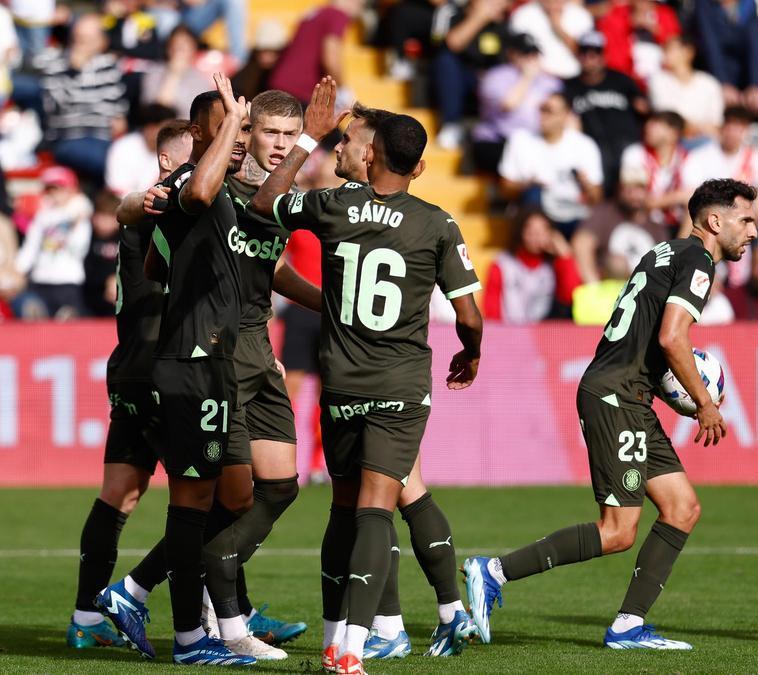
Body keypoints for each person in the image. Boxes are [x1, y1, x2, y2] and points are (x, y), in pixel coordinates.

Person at [463, 179, 758, 650]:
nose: (753, 231)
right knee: (617, 531)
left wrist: (668, 387)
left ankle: (628, 626)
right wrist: (703, 402)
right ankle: (493, 571)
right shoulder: (699, 262)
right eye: (745, 219)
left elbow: (647, 339)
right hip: (617, 396)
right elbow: (672, 338)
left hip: (629, 394)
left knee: (682, 508)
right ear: (715, 221)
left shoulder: (663, 252)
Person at [251, 110, 485, 675]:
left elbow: (265, 203)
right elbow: (469, 315)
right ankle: (359, 646)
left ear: (371, 154)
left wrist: (307, 138)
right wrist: (470, 352)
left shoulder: (334, 205)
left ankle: (340, 637)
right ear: (419, 168)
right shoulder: (437, 223)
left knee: (344, 509)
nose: (343, 147)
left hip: (342, 385)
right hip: (400, 385)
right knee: (380, 507)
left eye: (350, 140)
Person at [96, 75, 256, 666]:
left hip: (210, 359)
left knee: (231, 495)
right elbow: (189, 194)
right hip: (188, 361)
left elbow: (152, 255)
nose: (239, 137)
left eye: (244, 126)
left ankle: (148, 595)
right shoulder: (194, 181)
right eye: (229, 124)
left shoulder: (216, 192)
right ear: (198, 132)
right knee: (191, 501)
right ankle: (190, 635)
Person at [65, 118, 191, 658]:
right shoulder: (163, 204)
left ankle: (85, 616)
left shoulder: (152, 205)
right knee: (211, 496)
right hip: (162, 366)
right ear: (167, 161)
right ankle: (223, 616)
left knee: (120, 492)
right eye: (198, 151)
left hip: (133, 363)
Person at [34, 14, 129, 183]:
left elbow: (118, 107)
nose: (80, 44)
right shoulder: (55, 63)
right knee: (112, 166)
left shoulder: (109, 66)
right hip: (68, 138)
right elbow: (54, 106)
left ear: (102, 42)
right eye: (77, 38)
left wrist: (120, 118)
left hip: (103, 139)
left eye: (87, 40)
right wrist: (74, 71)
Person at [498, 92, 604, 236]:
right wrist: (527, 184)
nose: (543, 115)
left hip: (573, 215)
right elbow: (505, 189)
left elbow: (597, 197)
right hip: (536, 216)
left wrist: (586, 184)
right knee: (534, 195)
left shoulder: (584, 145)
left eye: (549, 110)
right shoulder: (520, 140)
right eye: (541, 109)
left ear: (565, 116)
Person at [562, 31, 645, 196]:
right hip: (592, 147)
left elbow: (643, 108)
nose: (589, 58)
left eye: (595, 53)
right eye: (584, 52)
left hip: (626, 142)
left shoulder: (622, 80)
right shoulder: (570, 86)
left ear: (603, 56)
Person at [469, 31, 562, 174]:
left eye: (534, 54)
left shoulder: (550, 82)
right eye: (526, 54)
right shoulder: (495, 77)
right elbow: (509, 105)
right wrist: (527, 78)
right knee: (523, 160)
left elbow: (562, 113)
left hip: (536, 143)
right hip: (498, 142)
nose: (531, 58)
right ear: (512, 54)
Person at [431, 0, 511, 150]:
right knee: (446, 62)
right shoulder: (453, 13)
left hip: (490, 83)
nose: (499, 4)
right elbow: (453, 43)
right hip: (461, 81)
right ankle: (451, 125)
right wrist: (479, 18)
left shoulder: (505, 25)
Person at [572, 163, 671, 284]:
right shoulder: (605, 213)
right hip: (612, 286)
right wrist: (593, 284)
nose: (634, 195)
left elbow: (666, 265)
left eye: (639, 188)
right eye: (628, 188)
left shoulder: (656, 226)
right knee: (617, 264)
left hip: (646, 289)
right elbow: (582, 243)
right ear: (619, 189)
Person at [15, 166, 92, 318]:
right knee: (38, 320)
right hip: (40, 279)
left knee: (67, 320)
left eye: (59, 188)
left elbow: (79, 248)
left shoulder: (81, 213)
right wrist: (18, 269)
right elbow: (31, 246)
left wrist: (74, 223)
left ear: (71, 189)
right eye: (50, 189)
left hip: (67, 281)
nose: (54, 194)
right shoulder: (42, 216)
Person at [484, 207, 580, 322]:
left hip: (545, 330)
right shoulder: (502, 264)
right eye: (531, 232)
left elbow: (569, 295)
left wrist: (565, 255)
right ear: (520, 232)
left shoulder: (554, 265)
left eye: (541, 232)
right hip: (509, 329)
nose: (536, 237)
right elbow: (491, 308)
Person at [268, 0, 361, 103]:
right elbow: (331, 59)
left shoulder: (316, 12)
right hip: (299, 91)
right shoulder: (337, 15)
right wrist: (342, 90)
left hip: (279, 84)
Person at [647, 34, 724, 140]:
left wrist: (694, 129)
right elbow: (667, 119)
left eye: (669, 48)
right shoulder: (658, 80)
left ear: (688, 52)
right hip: (672, 142)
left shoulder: (709, 83)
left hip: (705, 142)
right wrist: (699, 128)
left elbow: (716, 124)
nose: (664, 53)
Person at [618, 112, 687, 228]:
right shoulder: (635, 153)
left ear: (673, 133)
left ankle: (681, 241)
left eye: (655, 124)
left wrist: (659, 201)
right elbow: (634, 197)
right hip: (643, 222)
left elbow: (693, 198)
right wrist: (678, 197)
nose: (647, 127)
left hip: (676, 224)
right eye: (648, 123)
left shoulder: (687, 158)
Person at [508, 0, 595, 79]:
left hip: (574, 79)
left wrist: (558, 28)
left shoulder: (581, 15)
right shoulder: (523, 15)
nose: (553, 3)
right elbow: (516, 53)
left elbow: (586, 55)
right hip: (537, 79)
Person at [106, 104, 177, 197]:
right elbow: (116, 189)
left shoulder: (172, 152)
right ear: (150, 128)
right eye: (166, 130)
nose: (171, 135)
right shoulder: (122, 147)